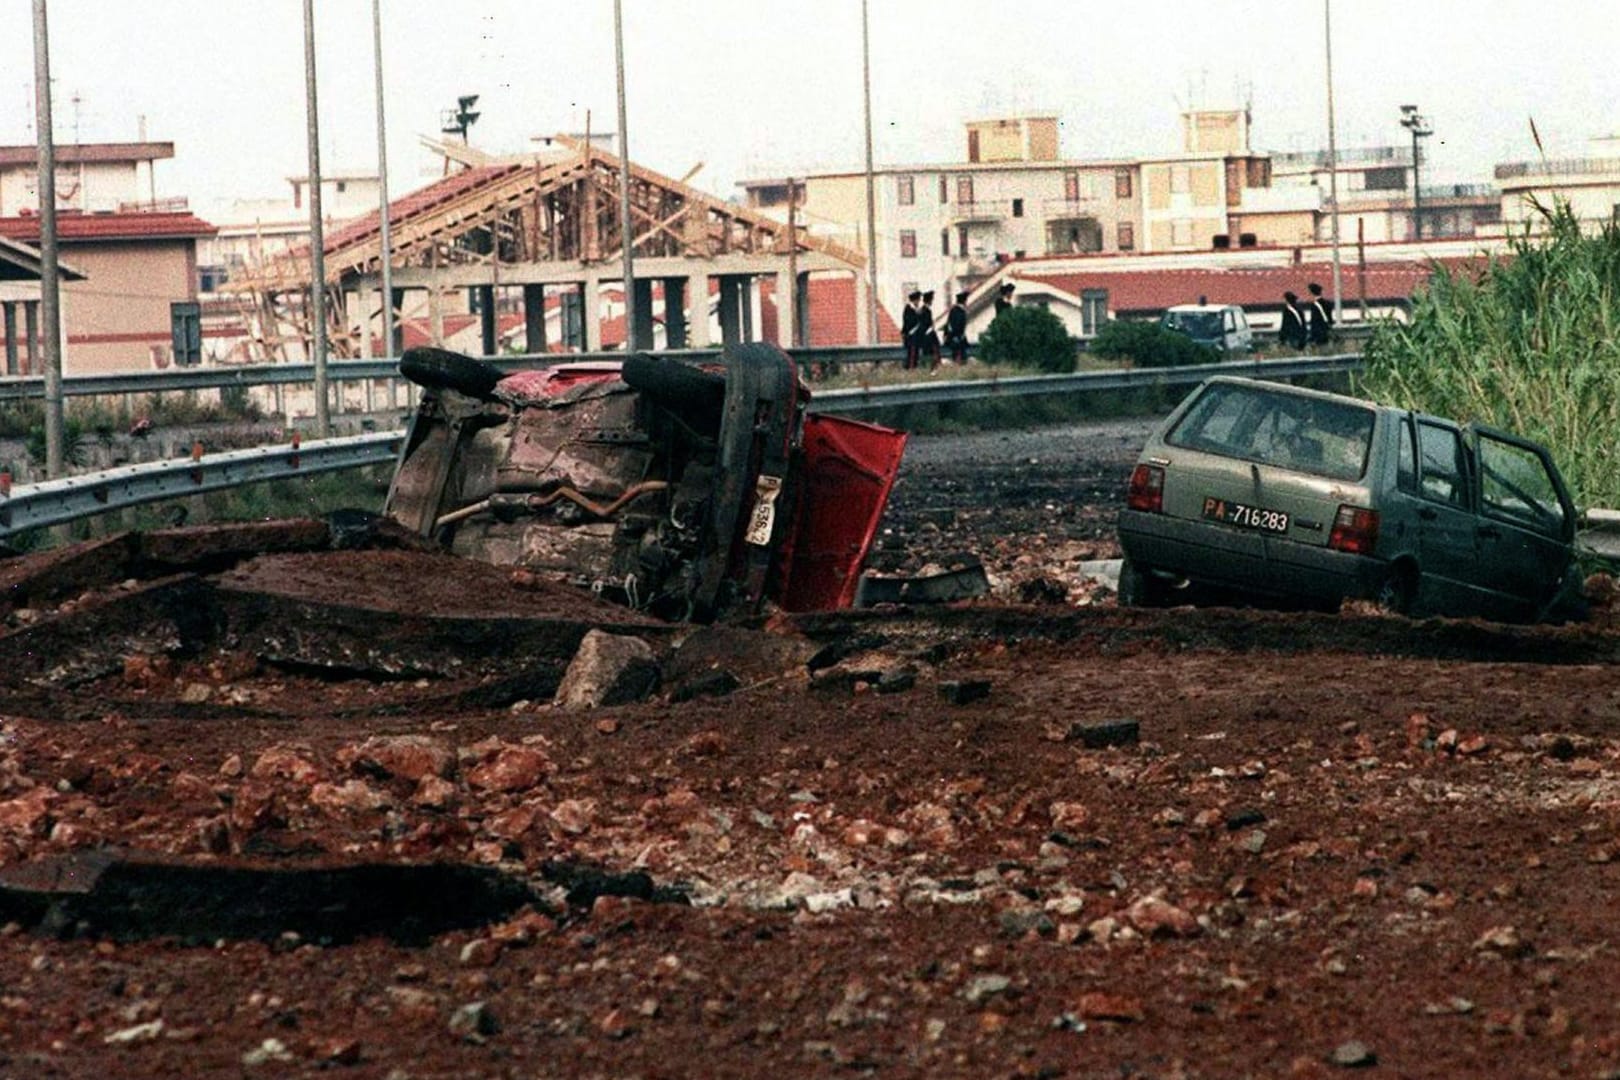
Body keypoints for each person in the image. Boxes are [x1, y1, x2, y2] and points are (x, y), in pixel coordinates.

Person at [943, 291, 969, 364]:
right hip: (957, 338)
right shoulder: (958, 311)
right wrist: (957, 336)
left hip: (957, 337)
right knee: (960, 358)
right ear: (964, 301)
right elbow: (956, 326)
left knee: (961, 357)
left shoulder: (954, 310)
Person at [1306, 282, 1334, 346]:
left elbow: (1315, 320)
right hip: (1326, 330)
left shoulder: (1315, 305)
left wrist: (1312, 336)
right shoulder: (1327, 303)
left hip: (1319, 333)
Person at [919, 290, 942, 368]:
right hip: (927, 336)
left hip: (927, 335)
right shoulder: (925, 311)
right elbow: (925, 324)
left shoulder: (924, 310)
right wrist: (931, 329)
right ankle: (934, 366)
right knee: (934, 349)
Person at [901, 289, 922, 370]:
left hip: (916, 336)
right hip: (910, 336)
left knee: (915, 353)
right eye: (918, 300)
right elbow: (909, 323)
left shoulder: (916, 309)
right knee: (912, 353)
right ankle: (910, 367)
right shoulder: (908, 309)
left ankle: (914, 366)